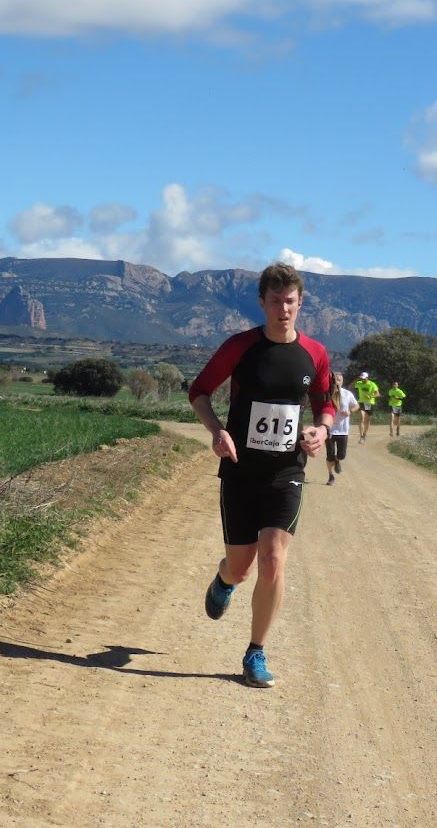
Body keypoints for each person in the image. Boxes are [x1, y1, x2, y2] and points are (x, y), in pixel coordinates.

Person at [187, 262, 335, 688]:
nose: (283, 309)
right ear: (262, 303)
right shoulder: (240, 347)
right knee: (242, 566)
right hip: (240, 471)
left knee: (273, 561)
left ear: (300, 303)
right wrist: (218, 432)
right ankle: (223, 580)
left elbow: (326, 402)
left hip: (286, 470)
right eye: (275, 302)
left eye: (290, 302)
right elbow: (198, 391)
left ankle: (256, 652)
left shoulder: (315, 353)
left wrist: (321, 430)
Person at [325, 371, 359, 485]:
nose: (337, 382)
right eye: (335, 380)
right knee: (330, 455)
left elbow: (356, 405)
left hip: (343, 430)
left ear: (342, 381)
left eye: (339, 380)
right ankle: (331, 476)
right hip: (329, 430)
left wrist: (350, 411)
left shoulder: (347, 394)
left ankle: (338, 460)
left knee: (341, 455)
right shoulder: (327, 394)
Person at [353, 371, 379, 442]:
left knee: (367, 420)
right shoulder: (359, 383)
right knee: (362, 417)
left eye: (364, 378)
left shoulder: (372, 384)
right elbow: (351, 386)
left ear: (367, 378)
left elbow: (378, 394)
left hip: (369, 403)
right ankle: (361, 436)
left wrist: (371, 396)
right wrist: (357, 379)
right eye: (361, 378)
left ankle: (364, 434)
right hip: (361, 402)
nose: (362, 380)